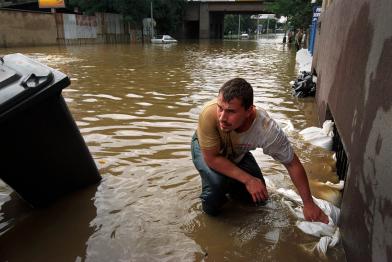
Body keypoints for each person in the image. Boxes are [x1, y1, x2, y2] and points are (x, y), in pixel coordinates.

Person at [191, 78, 328, 223]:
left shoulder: (267, 130)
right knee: (216, 188)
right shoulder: (208, 114)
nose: (222, 117)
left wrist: (308, 204)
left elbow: (292, 164)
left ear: (249, 111)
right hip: (207, 149)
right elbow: (212, 158)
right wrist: (248, 179)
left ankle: (232, 188)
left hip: (238, 153)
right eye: (220, 108)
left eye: (231, 111)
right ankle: (209, 219)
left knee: (259, 198)